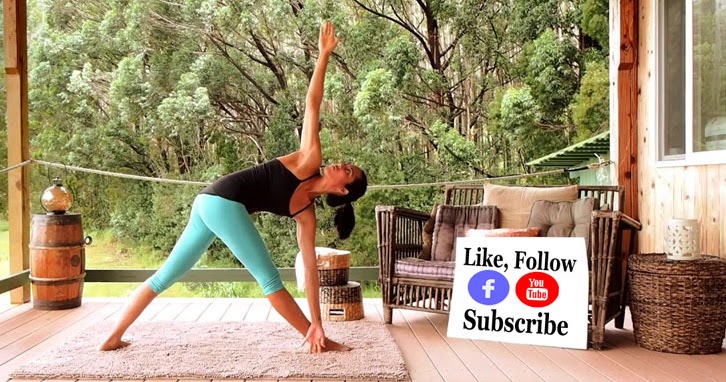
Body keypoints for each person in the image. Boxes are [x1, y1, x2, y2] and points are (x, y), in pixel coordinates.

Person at [98, 21, 367, 354]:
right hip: (221, 202)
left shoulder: (306, 214)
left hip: (211, 204)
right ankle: (315, 340)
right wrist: (323, 54)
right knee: (269, 279)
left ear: (343, 191)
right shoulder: (309, 159)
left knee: (166, 276)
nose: (342, 165)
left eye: (348, 172)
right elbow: (313, 103)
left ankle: (113, 337)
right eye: (346, 163)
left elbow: (310, 271)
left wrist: (319, 318)